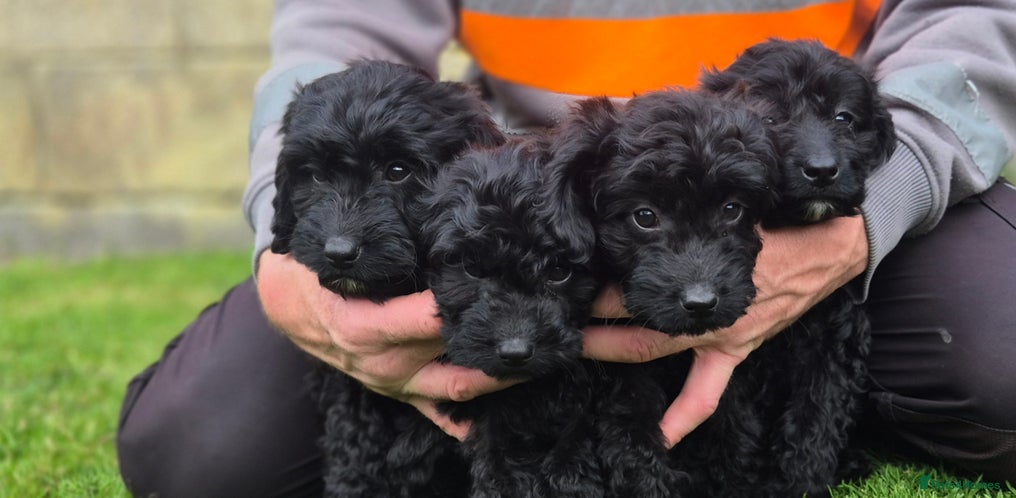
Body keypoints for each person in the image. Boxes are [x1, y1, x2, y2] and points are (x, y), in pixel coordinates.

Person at [116, 1, 1016, 496]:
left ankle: (799, 394)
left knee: (1002, 354)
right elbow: (333, 42)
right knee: (195, 456)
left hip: (803, 191)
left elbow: (968, 15)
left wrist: (862, 217)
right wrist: (299, 239)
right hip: (525, 200)